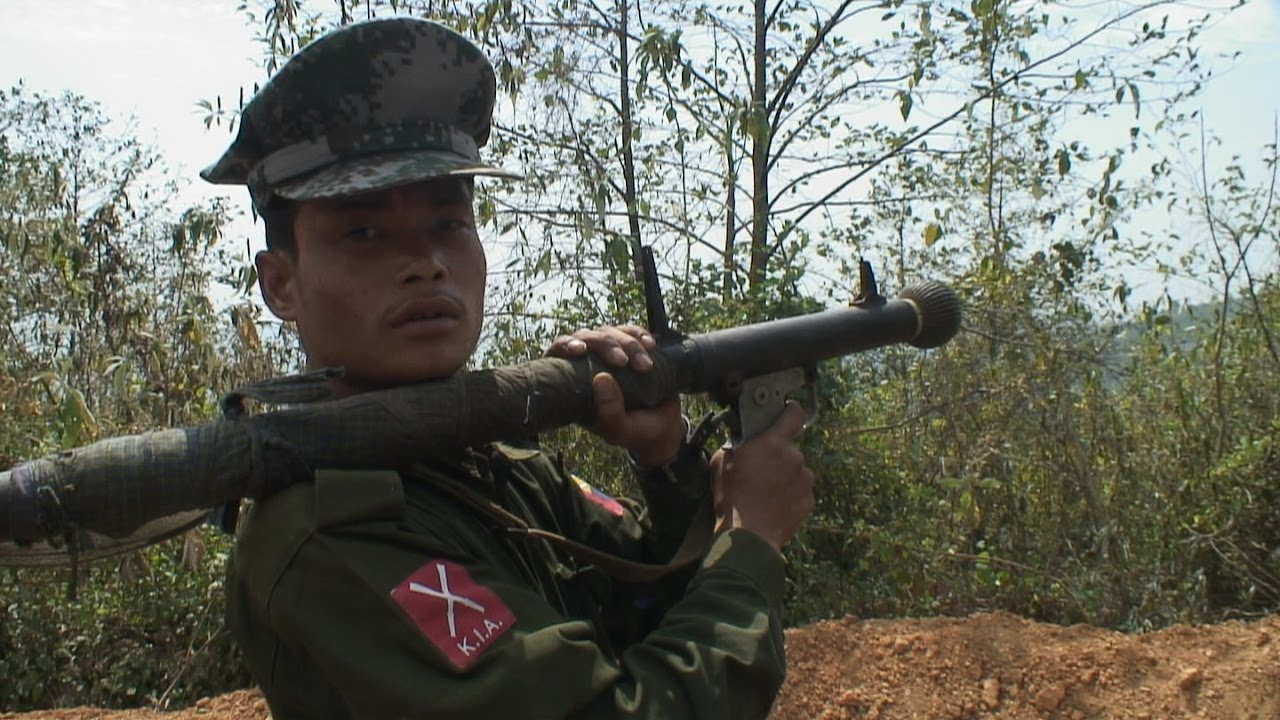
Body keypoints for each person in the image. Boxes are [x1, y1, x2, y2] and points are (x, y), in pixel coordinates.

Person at [201, 16, 814, 720]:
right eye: (363, 232)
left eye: (449, 225)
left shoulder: (495, 460)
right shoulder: (329, 534)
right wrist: (753, 539)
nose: (426, 262)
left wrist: (666, 462)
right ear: (281, 285)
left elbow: (652, 615)